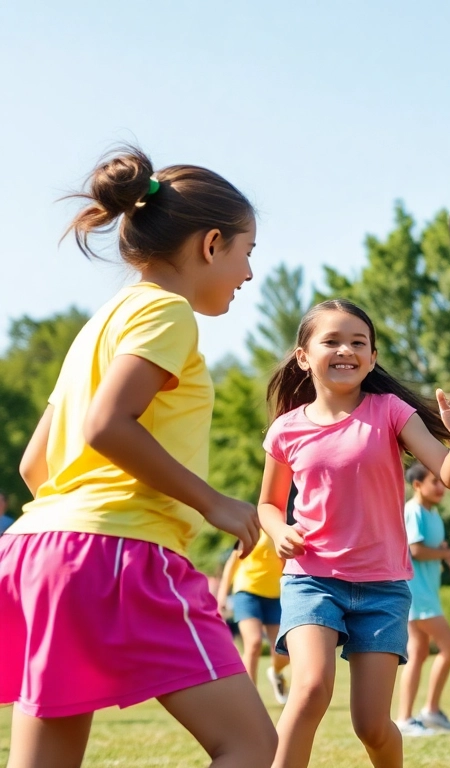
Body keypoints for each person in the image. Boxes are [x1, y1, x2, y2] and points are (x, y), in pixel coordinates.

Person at [0, 146, 277, 766]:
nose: (249, 274)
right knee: (252, 744)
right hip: (117, 553)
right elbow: (106, 425)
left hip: (38, 549)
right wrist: (214, 504)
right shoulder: (168, 311)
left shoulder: (101, 323)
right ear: (211, 244)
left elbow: (33, 466)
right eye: (246, 252)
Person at [258, 299, 450, 768]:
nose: (346, 350)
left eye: (358, 342)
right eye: (332, 341)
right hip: (311, 578)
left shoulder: (390, 412)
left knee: (372, 725)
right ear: (304, 356)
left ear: (373, 357)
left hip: (382, 588)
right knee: (308, 690)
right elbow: (266, 503)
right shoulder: (286, 430)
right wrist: (279, 528)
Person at [395, 463, 450, 736]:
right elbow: (417, 550)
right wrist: (445, 556)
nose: (440, 486)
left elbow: (439, 549)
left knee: (419, 652)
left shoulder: (433, 515)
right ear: (416, 486)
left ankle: (411, 717)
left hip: (427, 592)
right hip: (416, 592)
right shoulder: (413, 511)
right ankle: (427, 712)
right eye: (434, 481)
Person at [216, 530, 291, 704]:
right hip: (246, 591)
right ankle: (250, 699)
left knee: (282, 650)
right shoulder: (251, 528)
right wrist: (222, 595)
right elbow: (232, 563)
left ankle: (276, 673)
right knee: (254, 642)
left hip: (275, 595)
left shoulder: (285, 528)